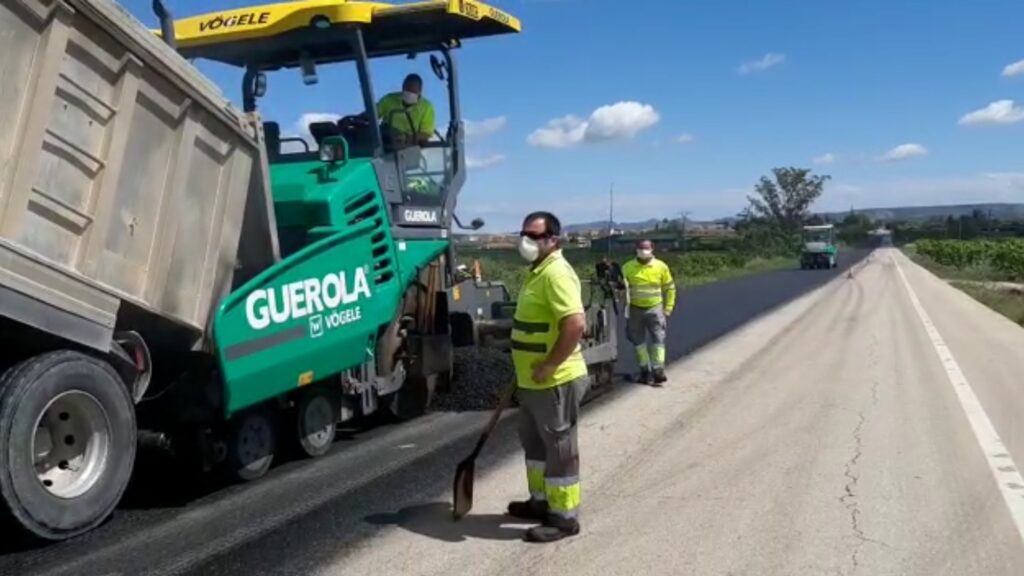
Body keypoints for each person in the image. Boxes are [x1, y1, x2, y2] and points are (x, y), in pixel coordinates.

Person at [507, 211, 589, 543]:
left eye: (534, 235)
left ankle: (564, 517)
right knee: (535, 444)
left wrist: (550, 366)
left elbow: (575, 325)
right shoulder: (536, 271)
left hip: (555, 381)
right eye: (523, 233)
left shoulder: (556, 273)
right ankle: (540, 502)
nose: (526, 241)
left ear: (553, 240)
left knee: (559, 448)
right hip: (531, 381)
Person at [621, 239, 676, 386]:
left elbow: (670, 288)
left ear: (652, 249)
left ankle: (658, 370)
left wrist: (668, 308)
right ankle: (645, 370)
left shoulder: (661, 267)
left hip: (655, 308)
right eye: (640, 248)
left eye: (646, 248)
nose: (643, 251)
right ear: (636, 249)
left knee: (658, 338)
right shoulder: (627, 267)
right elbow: (622, 289)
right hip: (634, 309)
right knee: (638, 341)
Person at [376, 73, 435, 147]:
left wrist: (406, 137)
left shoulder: (427, 107)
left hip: (410, 145)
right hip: (387, 141)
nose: (409, 94)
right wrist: (361, 118)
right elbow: (373, 114)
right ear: (402, 87)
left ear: (420, 91)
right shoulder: (389, 99)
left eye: (412, 91)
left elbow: (426, 133)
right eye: (407, 90)